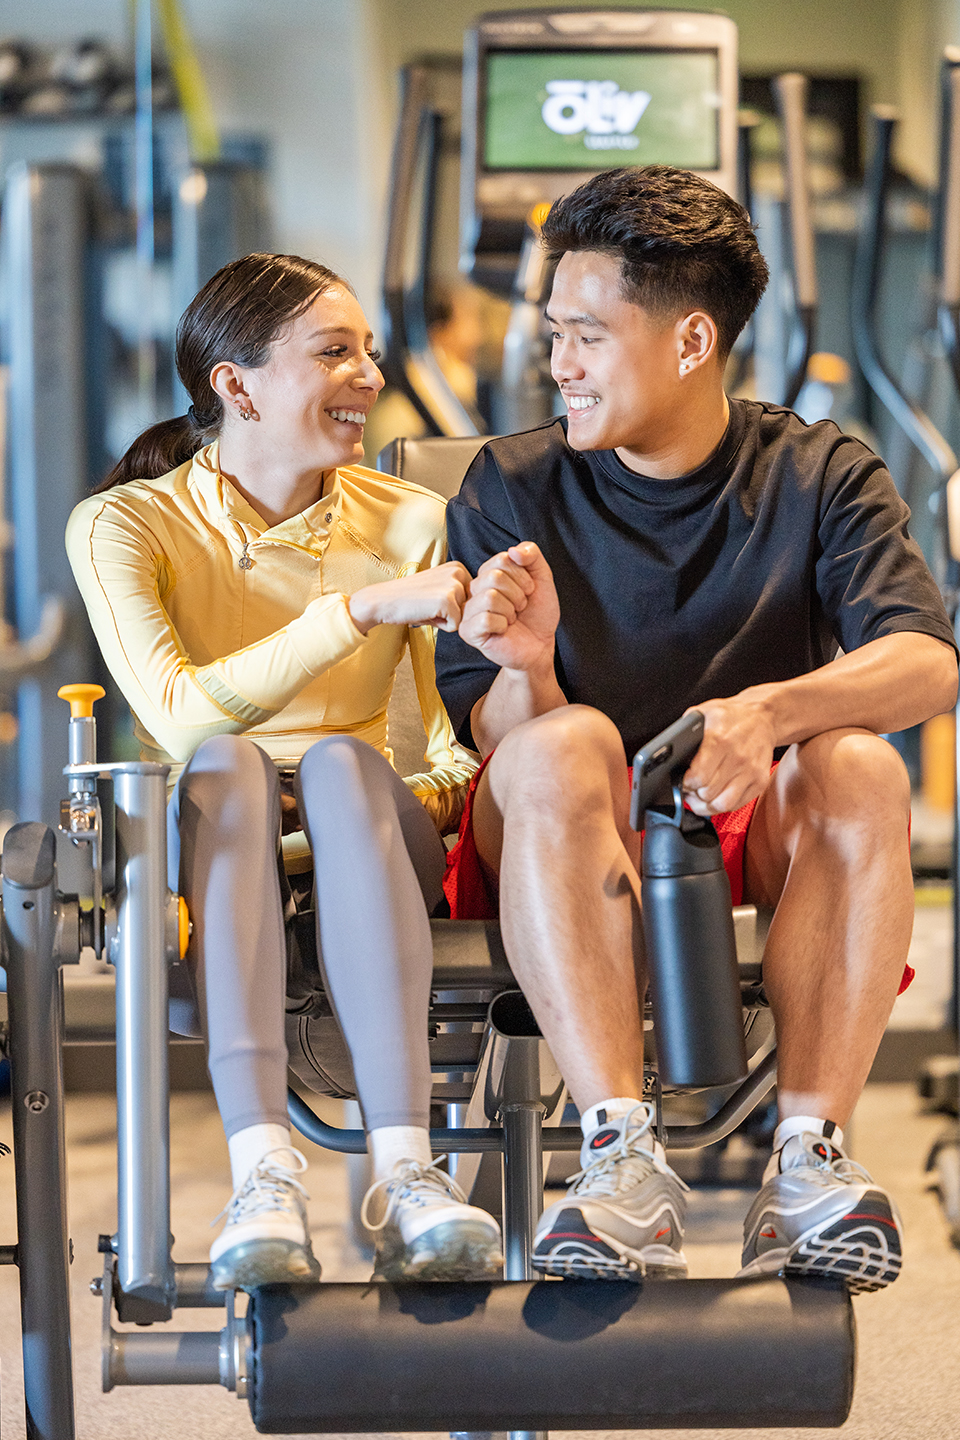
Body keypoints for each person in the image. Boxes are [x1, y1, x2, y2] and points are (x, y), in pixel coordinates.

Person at [435, 166, 959, 1292]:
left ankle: (808, 1160)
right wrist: (529, 668)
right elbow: (498, 737)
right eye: (553, 334)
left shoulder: (822, 472)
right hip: (557, 829)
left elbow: (925, 665)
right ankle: (620, 1155)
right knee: (566, 741)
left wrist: (767, 713)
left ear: (688, 342)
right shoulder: (509, 487)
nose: (558, 363)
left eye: (586, 334)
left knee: (858, 761)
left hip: (735, 820)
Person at [66, 252, 503, 1289]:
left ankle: (405, 1170)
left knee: (349, 770)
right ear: (237, 383)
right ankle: (263, 1170)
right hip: (223, 829)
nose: (369, 377)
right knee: (223, 767)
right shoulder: (125, 525)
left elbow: (450, 754)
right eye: (335, 352)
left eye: (370, 355)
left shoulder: (407, 522)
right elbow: (175, 721)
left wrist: (346, 790)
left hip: (373, 827)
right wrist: (350, 614)